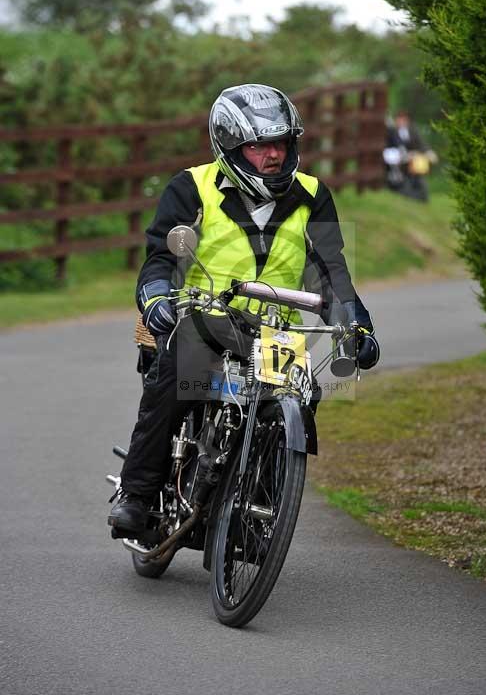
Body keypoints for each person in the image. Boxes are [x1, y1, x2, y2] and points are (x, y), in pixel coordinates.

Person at [108, 83, 380, 532]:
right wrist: (157, 298)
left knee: (298, 399)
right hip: (202, 318)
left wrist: (357, 327)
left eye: (280, 143)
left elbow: (330, 271)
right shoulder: (192, 187)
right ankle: (136, 496)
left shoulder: (313, 195)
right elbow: (160, 258)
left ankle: (259, 515)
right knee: (178, 377)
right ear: (230, 145)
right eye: (259, 145)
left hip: (277, 331)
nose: (273, 154)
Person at [383, 110, 438, 201]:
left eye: (404, 119)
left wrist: (429, 152)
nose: (401, 121)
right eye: (399, 119)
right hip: (396, 159)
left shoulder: (412, 131)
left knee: (419, 167)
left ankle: (418, 190)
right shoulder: (392, 131)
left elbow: (421, 144)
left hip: (411, 161)